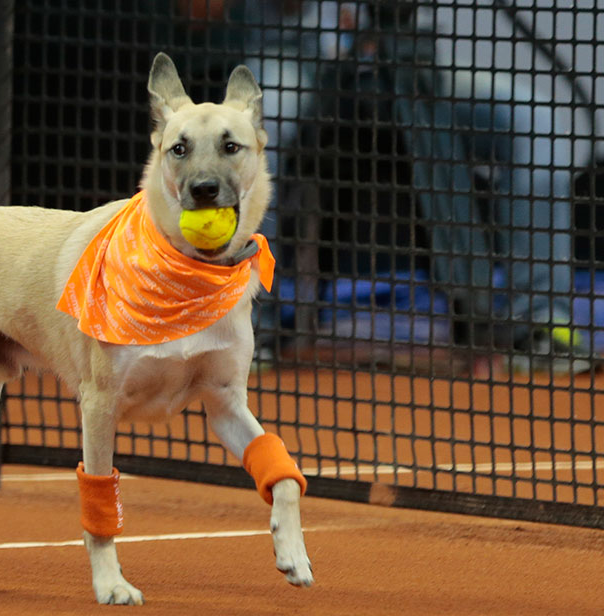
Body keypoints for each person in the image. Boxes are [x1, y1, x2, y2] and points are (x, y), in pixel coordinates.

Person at [244, 0, 595, 373]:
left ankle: (539, 323)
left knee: (537, 123)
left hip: (409, 59)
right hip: (297, 55)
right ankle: (245, 326)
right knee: (259, 124)